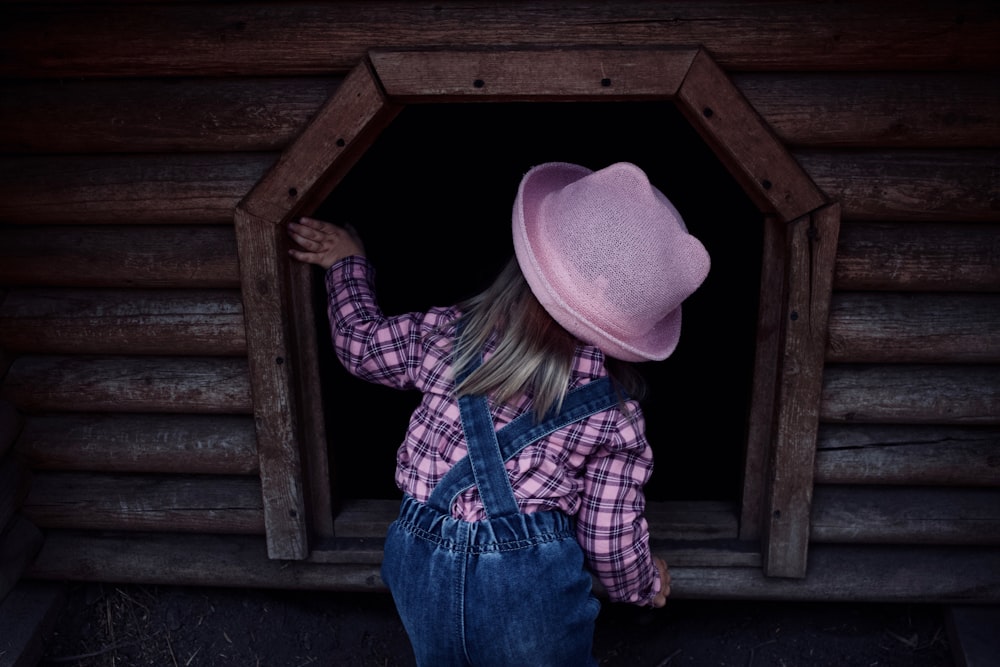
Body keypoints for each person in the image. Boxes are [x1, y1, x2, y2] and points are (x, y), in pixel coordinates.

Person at [287, 161, 710, 667]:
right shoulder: (613, 415)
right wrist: (644, 584)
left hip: (418, 554)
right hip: (529, 581)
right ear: (631, 328)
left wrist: (346, 265)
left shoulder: (445, 333)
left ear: (527, 260)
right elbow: (607, 538)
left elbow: (360, 344)